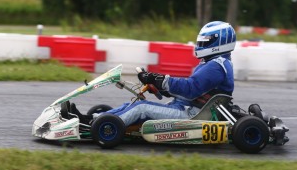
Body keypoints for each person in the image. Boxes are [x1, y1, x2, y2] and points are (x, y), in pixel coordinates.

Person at [73, 21, 236, 126]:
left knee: (141, 108)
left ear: (219, 42)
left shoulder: (216, 66)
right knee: (130, 105)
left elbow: (190, 88)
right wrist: (160, 87)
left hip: (191, 115)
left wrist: (160, 80)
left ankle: (103, 126)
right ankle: (93, 119)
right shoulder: (213, 63)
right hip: (185, 106)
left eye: (205, 42)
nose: (200, 45)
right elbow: (192, 92)